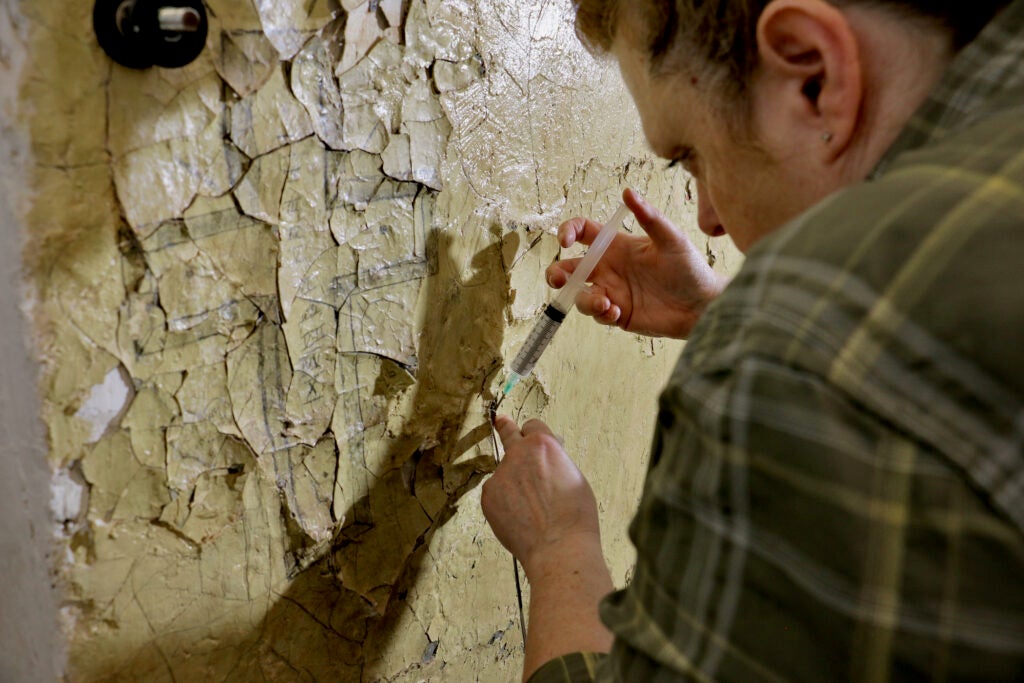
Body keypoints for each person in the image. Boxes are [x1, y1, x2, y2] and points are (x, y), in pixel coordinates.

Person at [481, 0, 1024, 680]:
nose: (706, 217)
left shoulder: (787, 348)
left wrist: (560, 548)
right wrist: (726, 312)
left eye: (689, 155)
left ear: (813, 76)